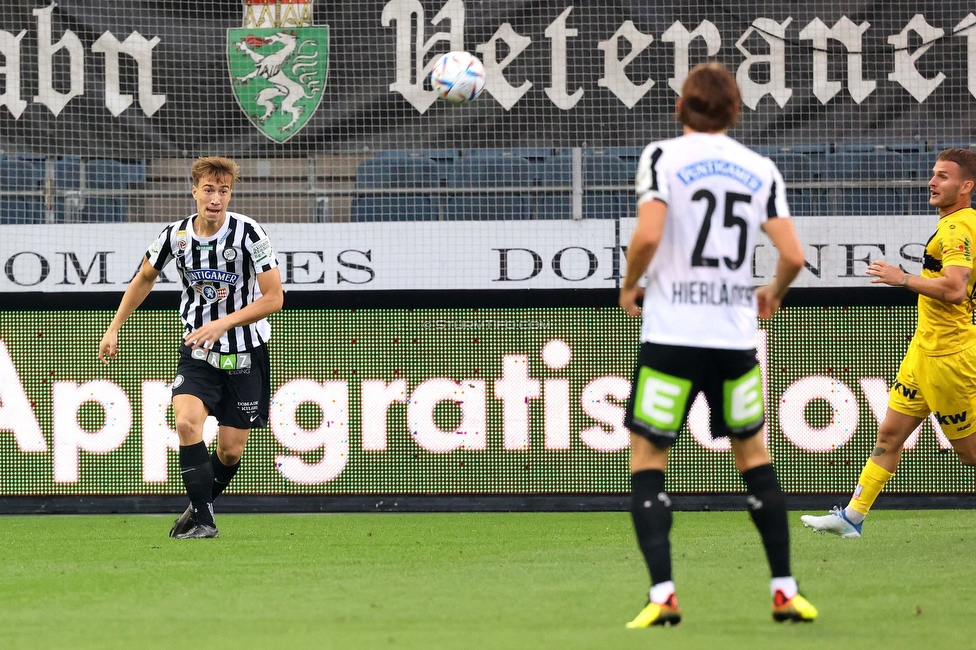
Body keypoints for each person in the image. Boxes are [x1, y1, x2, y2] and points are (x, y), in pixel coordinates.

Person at [619, 62, 816, 627]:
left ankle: (662, 596)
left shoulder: (662, 157)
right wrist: (773, 292)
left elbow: (650, 234)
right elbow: (794, 256)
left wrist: (631, 284)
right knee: (754, 457)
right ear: (735, 111)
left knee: (648, 459)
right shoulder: (760, 168)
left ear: (680, 107)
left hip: (672, 335)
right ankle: (784, 589)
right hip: (732, 338)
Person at [98, 156, 283, 539]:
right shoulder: (175, 237)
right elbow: (143, 278)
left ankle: (197, 508)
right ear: (194, 191)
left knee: (231, 451)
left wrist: (224, 322)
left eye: (224, 190)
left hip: (246, 353)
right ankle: (205, 521)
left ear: (230, 194)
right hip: (198, 351)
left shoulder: (249, 234)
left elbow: (274, 298)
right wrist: (115, 326)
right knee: (185, 422)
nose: (216, 198)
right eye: (209, 189)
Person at [801, 148, 976, 538]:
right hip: (924, 350)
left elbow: (955, 289)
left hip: (948, 356)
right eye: (933, 174)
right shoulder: (959, 223)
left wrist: (904, 278)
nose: (932, 181)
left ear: (967, 186)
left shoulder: (957, 228)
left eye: (943, 176)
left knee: (969, 454)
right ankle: (852, 516)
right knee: (890, 435)